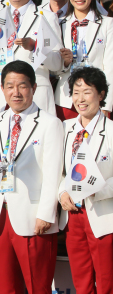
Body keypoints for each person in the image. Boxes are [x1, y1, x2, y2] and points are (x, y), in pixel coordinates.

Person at [0, 60, 62, 294]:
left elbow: (53, 172)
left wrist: (46, 213)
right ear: (2, 89)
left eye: (22, 86)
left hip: (34, 217)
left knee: (38, 287)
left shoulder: (50, 123)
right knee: (7, 287)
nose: (15, 93)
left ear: (34, 88)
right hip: (0, 214)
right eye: (9, 86)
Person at [58, 66, 113, 293]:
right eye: (76, 92)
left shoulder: (111, 131)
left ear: (101, 95)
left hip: (101, 214)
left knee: (106, 281)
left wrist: (96, 190)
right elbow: (60, 170)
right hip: (73, 215)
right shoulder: (65, 128)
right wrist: (62, 193)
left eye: (87, 92)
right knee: (81, 281)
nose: (80, 99)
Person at [54, 0, 113, 121]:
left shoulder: (107, 24)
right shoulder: (59, 24)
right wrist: (64, 63)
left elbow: (110, 66)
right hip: (66, 99)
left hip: (96, 99)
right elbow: (54, 67)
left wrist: (106, 105)